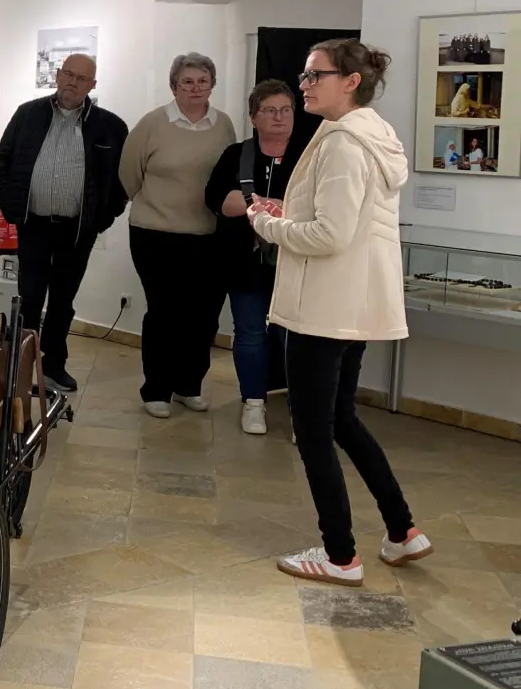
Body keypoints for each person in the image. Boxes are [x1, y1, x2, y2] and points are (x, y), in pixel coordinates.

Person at [250, 39, 432, 586]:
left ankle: (340, 554)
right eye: (304, 76)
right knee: (342, 419)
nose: (303, 85)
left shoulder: (345, 144)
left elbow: (330, 235)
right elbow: (338, 219)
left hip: (322, 308)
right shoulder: (365, 134)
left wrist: (267, 225)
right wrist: (291, 211)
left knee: (313, 431)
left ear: (350, 82)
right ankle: (402, 532)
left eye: (313, 76)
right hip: (346, 302)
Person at [0, 54, 129, 392]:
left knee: (63, 300)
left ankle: (53, 365)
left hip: (77, 230)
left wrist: (100, 220)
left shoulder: (111, 126)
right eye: (68, 74)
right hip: (33, 225)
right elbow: (1, 167)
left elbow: (121, 183)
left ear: (92, 85)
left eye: (82, 78)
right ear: (57, 74)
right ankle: (22, 368)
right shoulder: (28, 115)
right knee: (30, 298)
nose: (73, 82)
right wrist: (15, 211)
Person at [119, 53, 236, 418]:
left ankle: (189, 385)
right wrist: (157, 203)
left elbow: (228, 174)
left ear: (212, 85)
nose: (196, 88)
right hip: (155, 233)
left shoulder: (224, 125)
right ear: (174, 86)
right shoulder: (154, 123)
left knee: (202, 316)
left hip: (207, 234)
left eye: (203, 81)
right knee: (164, 313)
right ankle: (156, 389)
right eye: (187, 82)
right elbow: (128, 174)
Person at [205, 80, 298, 436]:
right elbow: (215, 199)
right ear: (254, 117)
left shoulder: (310, 155)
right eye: (269, 110)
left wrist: (278, 208)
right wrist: (257, 205)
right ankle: (253, 403)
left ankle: (299, 409)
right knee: (249, 334)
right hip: (244, 263)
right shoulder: (236, 154)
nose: (279, 117)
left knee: (294, 337)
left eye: (285, 110)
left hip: (295, 264)